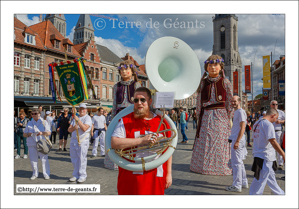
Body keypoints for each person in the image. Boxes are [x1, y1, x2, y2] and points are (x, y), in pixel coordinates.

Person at [111, 87, 172, 195]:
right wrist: (141, 141)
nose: (139, 103)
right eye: (136, 100)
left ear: (150, 101)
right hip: (131, 176)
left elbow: (168, 150)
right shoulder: (125, 120)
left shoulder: (162, 122)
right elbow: (114, 143)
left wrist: (169, 174)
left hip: (156, 174)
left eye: (142, 100)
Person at [190, 54, 233, 176]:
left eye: (215, 65)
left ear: (220, 67)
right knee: (205, 142)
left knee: (220, 141)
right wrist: (199, 115)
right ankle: (202, 166)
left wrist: (228, 116)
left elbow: (229, 100)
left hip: (220, 116)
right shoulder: (203, 83)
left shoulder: (225, 82)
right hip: (206, 115)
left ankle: (221, 167)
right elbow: (199, 100)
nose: (213, 67)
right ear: (206, 68)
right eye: (210, 65)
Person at [106, 59, 141, 170]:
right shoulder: (117, 86)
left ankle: (132, 159)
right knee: (118, 136)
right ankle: (117, 161)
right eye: (122, 70)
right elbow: (114, 103)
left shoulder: (136, 85)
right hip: (119, 115)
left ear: (132, 71)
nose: (124, 72)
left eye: (126, 69)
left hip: (132, 114)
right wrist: (112, 118)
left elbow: (139, 102)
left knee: (131, 136)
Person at [249, 108, 285, 195]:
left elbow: (255, 138)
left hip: (259, 154)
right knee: (259, 181)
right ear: (273, 115)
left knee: (271, 180)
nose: (275, 121)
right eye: (275, 118)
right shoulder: (268, 124)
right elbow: (273, 141)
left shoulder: (257, 123)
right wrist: (283, 154)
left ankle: (280, 194)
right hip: (265, 156)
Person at [225, 96, 248, 192]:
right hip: (236, 138)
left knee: (236, 163)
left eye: (235, 101)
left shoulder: (240, 112)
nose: (233, 103)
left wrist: (237, 141)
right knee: (239, 162)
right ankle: (243, 182)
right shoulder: (237, 112)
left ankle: (237, 185)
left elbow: (243, 127)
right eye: (232, 101)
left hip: (237, 139)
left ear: (239, 101)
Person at [23, 108, 51, 180]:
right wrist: (28, 134)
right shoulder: (29, 122)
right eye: (32, 114)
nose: (34, 115)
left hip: (42, 142)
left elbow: (49, 132)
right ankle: (35, 173)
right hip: (31, 143)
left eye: (35, 113)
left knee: (44, 159)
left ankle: (46, 173)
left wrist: (42, 133)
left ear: (39, 114)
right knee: (33, 159)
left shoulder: (44, 122)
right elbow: (24, 134)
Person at [68, 103, 92, 183]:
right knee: (74, 159)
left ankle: (82, 175)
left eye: (83, 109)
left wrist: (78, 120)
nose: (81, 110)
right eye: (80, 109)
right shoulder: (75, 118)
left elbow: (85, 128)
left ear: (86, 110)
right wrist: (74, 127)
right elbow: (69, 129)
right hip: (74, 140)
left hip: (82, 141)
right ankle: (76, 174)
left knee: (82, 159)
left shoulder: (87, 118)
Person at [270, 100, 285, 170]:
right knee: (270, 148)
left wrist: (281, 121)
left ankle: (280, 163)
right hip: (269, 132)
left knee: (278, 147)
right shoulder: (268, 112)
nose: (275, 105)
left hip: (278, 131)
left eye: (276, 104)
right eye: (273, 104)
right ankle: (273, 163)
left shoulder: (281, 112)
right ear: (271, 105)